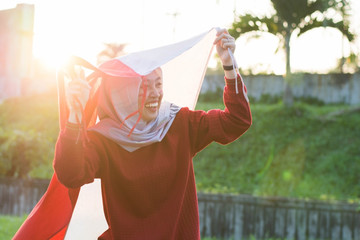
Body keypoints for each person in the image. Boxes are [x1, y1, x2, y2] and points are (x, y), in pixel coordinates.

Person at [53, 28, 251, 239]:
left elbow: (237, 121)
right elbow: (71, 174)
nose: (155, 94)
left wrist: (229, 64)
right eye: (142, 87)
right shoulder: (104, 140)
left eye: (158, 84)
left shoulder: (180, 123)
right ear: (121, 93)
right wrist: (75, 116)